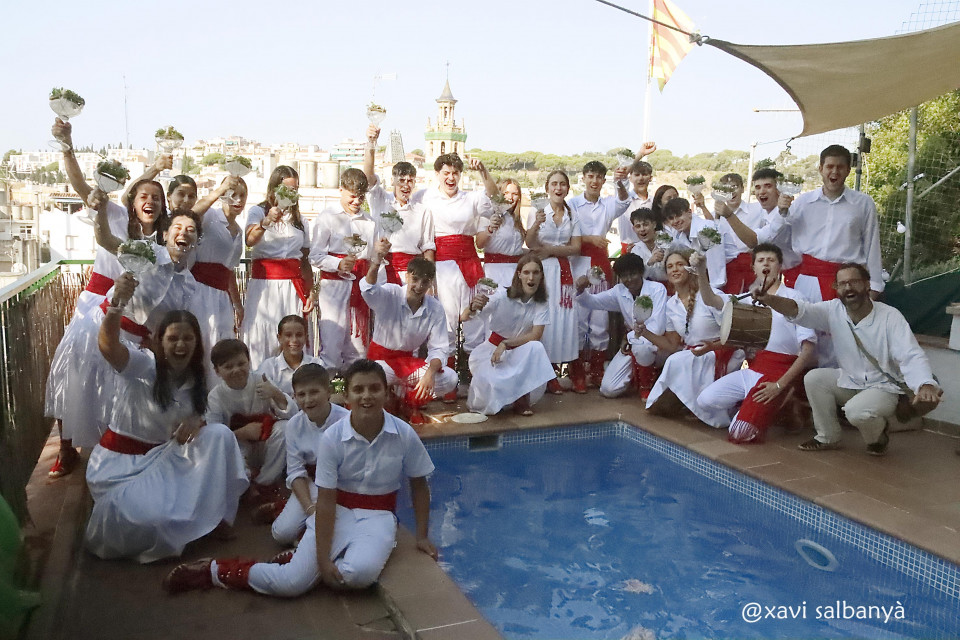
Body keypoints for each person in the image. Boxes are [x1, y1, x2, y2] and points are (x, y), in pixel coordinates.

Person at [163, 360, 438, 597]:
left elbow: (419, 484)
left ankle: (302, 560)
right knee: (291, 584)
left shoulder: (403, 434)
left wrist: (422, 536)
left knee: (357, 576)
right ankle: (216, 570)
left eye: (374, 388)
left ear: (386, 392)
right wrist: (322, 559)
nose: (367, 396)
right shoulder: (333, 438)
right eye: (359, 389)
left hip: (379, 517)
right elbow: (326, 499)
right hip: (336, 511)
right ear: (347, 395)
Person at [86, 290, 248, 563]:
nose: (180, 345)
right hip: (122, 466)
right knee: (155, 520)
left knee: (220, 436)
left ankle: (218, 517)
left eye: (188, 338)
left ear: (197, 343)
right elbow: (108, 346)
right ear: (159, 341)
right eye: (173, 338)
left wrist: (197, 421)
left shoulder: (199, 379)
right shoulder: (143, 365)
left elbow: (203, 417)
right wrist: (116, 304)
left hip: (166, 458)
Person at [44, 178, 168, 477]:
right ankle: (66, 447)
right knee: (75, 374)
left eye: (156, 197)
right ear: (132, 202)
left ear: (164, 206)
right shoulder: (116, 218)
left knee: (118, 387)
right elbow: (101, 233)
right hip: (101, 310)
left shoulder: (164, 243)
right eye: (144, 196)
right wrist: (68, 149)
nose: (150, 202)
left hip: (136, 324)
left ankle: (111, 448)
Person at [752, 263, 942, 455]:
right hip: (850, 381)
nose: (848, 287)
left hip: (884, 387)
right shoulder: (833, 309)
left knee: (855, 411)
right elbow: (798, 310)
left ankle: (878, 437)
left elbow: (911, 355)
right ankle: (828, 437)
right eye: (842, 284)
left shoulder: (890, 317)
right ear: (836, 288)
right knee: (814, 378)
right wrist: (769, 299)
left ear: (867, 285)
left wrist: (925, 384)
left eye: (854, 282)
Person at [697, 244, 817, 443]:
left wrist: (779, 385)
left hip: (779, 372)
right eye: (761, 260)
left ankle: (782, 398)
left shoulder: (795, 298)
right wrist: (701, 272)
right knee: (704, 400)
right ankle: (773, 407)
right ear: (754, 268)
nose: (766, 264)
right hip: (754, 368)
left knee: (740, 433)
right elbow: (711, 300)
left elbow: (808, 348)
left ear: (780, 266)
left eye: (771, 260)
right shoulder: (746, 298)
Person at [764, 145, 884, 304]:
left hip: (848, 282)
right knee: (805, 320)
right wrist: (782, 212)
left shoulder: (863, 203)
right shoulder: (804, 202)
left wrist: (875, 286)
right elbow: (777, 237)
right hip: (807, 281)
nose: (834, 172)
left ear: (848, 170)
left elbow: (872, 245)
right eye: (830, 166)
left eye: (840, 167)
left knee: (842, 321)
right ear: (821, 169)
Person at [643, 250, 744, 426]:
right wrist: (644, 332)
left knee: (677, 361)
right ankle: (680, 404)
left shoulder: (710, 295)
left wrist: (712, 347)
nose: (675, 269)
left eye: (680, 264)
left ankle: (692, 407)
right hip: (695, 354)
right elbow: (672, 345)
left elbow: (736, 333)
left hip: (722, 352)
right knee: (677, 359)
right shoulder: (671, 304)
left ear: (690, 269)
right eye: (670, 266)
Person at [360, 252, 457, 424]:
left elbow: (440, 348)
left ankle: (407, 401)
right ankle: (391, 397)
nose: (419, 286)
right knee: (367, 380)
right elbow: (368, 289)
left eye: (425, 282)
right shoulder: (391, 293)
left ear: (431, 283)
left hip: (407, 364)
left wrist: (429, 374)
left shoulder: (435, 308)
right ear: (406, 276)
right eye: (415, 279)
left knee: (450, 378)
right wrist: (376, 262)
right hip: (381, 363)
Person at [421, 152, 498, 365]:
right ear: (437, 174)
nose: (451, 177)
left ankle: (474, 372)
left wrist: (483, 170)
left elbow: (495, 198)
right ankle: (446, 372)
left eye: (455, 173)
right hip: (443, 267)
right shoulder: (426, 197)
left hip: (470, 264)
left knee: (475, 316)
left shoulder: (471, 198)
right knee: (446, 319)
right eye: (446, 173)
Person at [260, 364, 349, 542]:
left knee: (338, 530)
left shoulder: (346, 420)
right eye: (301, 394)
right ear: (294, 396)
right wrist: (310, 509)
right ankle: (284, 509)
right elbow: (296, 471)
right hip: (312, 483)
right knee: (282, 534)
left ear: (328, 391)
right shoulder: (294, 425)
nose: (308, 400)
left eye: (314, 392)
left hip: (341, 485)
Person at [241, 165, 316, 368]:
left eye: (295, 189)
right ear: (274, 189)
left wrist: (310, 291)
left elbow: (304, 259)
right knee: (263, 336)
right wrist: (266, 222)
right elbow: (249, 240)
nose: (291, 194)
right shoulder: (258, 211)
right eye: (286, 189)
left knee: (292, 336)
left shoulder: (300, 221)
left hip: (293, 287)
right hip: (264, 287)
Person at [465, 253, 555, 416]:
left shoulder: (541, 302)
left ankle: (521, 399)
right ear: (519, 275)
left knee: (536, 347)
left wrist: (506, 343)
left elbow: (536, 334)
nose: (531, 277)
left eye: (535, 272)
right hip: (492, 352)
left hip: (518, 351)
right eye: (526, 272)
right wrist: (472, 306)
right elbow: (465, 317)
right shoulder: (501, 296)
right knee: (486, 399)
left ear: (541, 276)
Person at [568, 160, 630, 389]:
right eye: (590, 176)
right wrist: (589, 239)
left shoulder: (607, 204)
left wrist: (620, 181)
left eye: (598, 177)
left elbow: (624, 201)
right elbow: (564, 233)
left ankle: (596, 369)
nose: (594, 181)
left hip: (601, 265)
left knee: (600, 321)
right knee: (578, 319)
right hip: (578, 264)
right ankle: (577, 371)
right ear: (583, 178)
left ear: (604, 180)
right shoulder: (572, 204)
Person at [310, 168, 378, 372]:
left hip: (359, 288)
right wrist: (337, 264)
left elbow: (372, 258)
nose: (357, 201)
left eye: (361, 197)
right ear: (341, 190)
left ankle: (354, 388)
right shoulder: (327, 217)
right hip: (333, 288)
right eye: (352, 196)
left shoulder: (370, 222)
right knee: (331, 346)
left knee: (358, 350)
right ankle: (328, 387)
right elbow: (315, 255)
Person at [206, 339, 291, 500]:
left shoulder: (261, 381)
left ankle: (264, 482)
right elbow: (214, 437)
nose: (236, 370)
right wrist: (241, 433)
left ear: (249, 362)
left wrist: (275, 393)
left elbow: (290, 413)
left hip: (264, 444)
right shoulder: (215, 396)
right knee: (228, 454)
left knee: (285, 428)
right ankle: (244, 486)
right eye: (228, 367)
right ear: (217, 371)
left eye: (241, 364)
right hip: (238, 446)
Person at [575, 253, 668, 399]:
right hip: (633, 344)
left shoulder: (657, 289)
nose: (629, 279)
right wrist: (581, 290)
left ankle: (646, 385)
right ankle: (637, 375)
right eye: (624, 275)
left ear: (641, 272)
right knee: (608, 389)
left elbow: (657, 328)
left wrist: (628, 337)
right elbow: (592, 302)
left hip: (658, 346)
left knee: (642, 346)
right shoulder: (619, 291)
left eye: (633, 274)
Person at [525, 170, 582, 394]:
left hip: (564, 271)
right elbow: (530, 244)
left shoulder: (572, 214)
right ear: (547, 187)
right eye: (554, 184)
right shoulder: (537, 211)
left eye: (563, 184)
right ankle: (547, 374)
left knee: (564, 319)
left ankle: (563, 369)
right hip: (543, 272)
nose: (558, 188)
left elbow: (576, 248)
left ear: (568, 188)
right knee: (545, 319)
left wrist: (550, 250)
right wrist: (536, 225)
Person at [362, 125, 435, 283]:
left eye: (410, 181)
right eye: (401, 180)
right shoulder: (381, 199)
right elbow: (368, 177)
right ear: (392, 181)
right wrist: (371, 143)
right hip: (382, 272)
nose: (406, 185)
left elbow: (428, 247)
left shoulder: (423, 211)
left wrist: (430, 283)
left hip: (412, 275)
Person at [708, 168, 802, 283]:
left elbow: (753, 241)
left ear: (779, 189)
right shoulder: (765, 213)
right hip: (775, 274)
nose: (762, 191)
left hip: (799, 274)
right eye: (757, 187)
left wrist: (729, 215)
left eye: (768, 186)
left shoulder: (783, 215)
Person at [191, 176, 246, 368]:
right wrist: (219, 190)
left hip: (222, 297)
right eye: (233, 194)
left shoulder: (239, 231)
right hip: (200, 292)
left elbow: (229, 271)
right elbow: (192, 214)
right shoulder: (210, 216)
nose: (238, 200)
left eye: (242, 196)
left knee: (222, 343)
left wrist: (237, 304)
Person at [696, 173, 764, 294]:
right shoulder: (714, 215)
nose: (730, 192)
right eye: (725, 189)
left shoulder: (757, 209)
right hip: (724, 270)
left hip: (752, 268)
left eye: (734, 187)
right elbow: (711, 234)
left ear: (742, 189)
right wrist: (703, 207)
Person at [255, 315, 329, 398]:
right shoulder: (268, 367)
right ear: (279, 338)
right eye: (288, 335)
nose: (294, 340)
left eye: (299, 335)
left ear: (306, 337)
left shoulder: (317, 365)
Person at [662, 197, 727, 290]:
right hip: (703, 277)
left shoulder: (706, 229)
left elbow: (717, 267)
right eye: (671, 218)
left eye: (679, 215)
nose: (675, 221)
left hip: (728, 272)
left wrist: (713, 292)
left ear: (689, 212)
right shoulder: (677, 234)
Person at [476, 178, 526, 289]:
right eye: (506, 193)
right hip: (495, 272)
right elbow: (479, 243)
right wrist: (490, 229)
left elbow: (516, 248)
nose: (510, 197)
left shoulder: (517, 219)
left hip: (515, 273)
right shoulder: (489, 214)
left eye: (515, 194)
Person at [617, 145, 658, 254]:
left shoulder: (655, 202)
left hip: (652, 250)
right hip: (629, 250)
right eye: (637, 174)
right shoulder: (623, 199)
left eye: (644, 174)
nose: (641, 178)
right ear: (630, 178)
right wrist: (640, 154)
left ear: (650, 178)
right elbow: (621, 175)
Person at [629, 208, 668, 289]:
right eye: (638, 226)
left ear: (654, 224)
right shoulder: (635, 250)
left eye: (646, 225)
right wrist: (649, 262)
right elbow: (635, 278)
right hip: (647, 290)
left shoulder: (668, 241)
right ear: (634, 229)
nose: (642, 229)